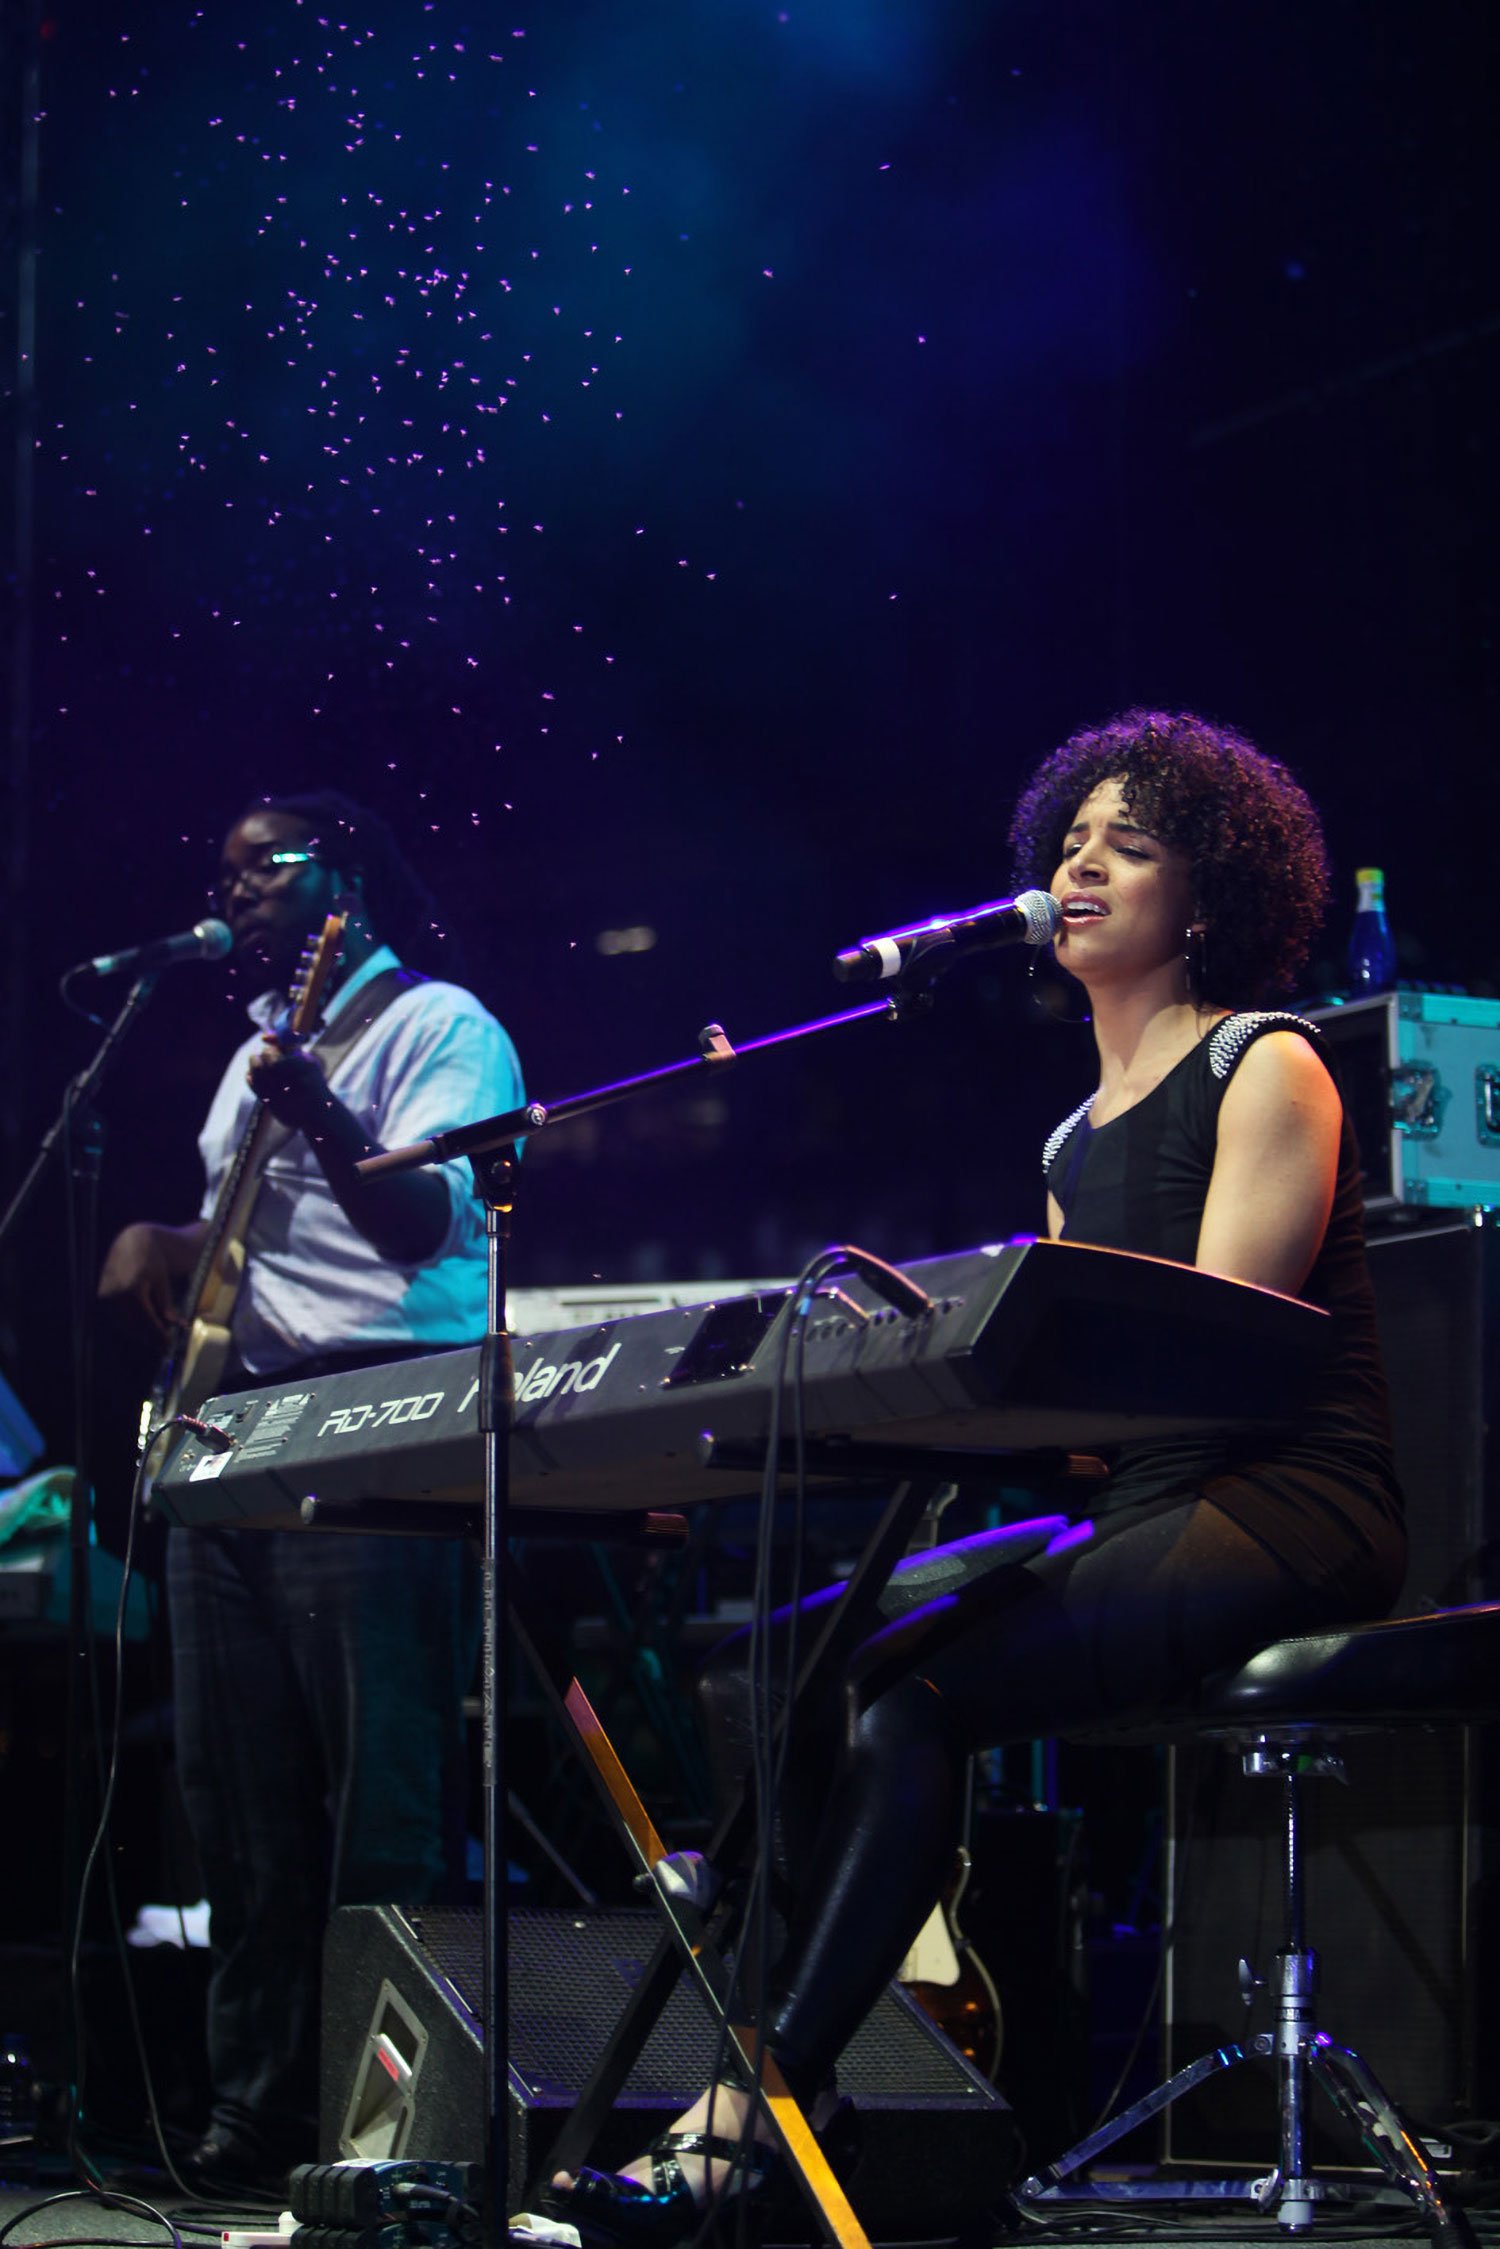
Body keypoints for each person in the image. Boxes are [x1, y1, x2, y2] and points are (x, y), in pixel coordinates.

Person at [532, 709, 1407, 2245]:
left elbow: (1217, 1357)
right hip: (1148, 1498)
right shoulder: (1070, 1138)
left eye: (1130, 844)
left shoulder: (1267, 1062)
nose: (1083, 864)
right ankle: (812, 2070)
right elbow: (1083, 1410)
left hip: (1285, 1499)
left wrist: (993, 1361)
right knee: (767, 1668)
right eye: (1070, 841)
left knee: (912, 1700)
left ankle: (755, 2107)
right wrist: (912, 1375)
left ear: (1207, 895)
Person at [99, 790, 523, 2196]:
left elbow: (417, 1222)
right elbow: (253, 1246)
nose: (238, 887)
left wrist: (319, 1104)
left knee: (381, 1792)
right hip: (243, 1422)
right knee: (239, 1797)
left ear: (344, 878)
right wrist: (163, 1237)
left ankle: (384, 2127)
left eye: (266, 864)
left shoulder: (439, 1025)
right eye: (223, 868)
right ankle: (254, 2113)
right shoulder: (253, 1053)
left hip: (378, 1412)